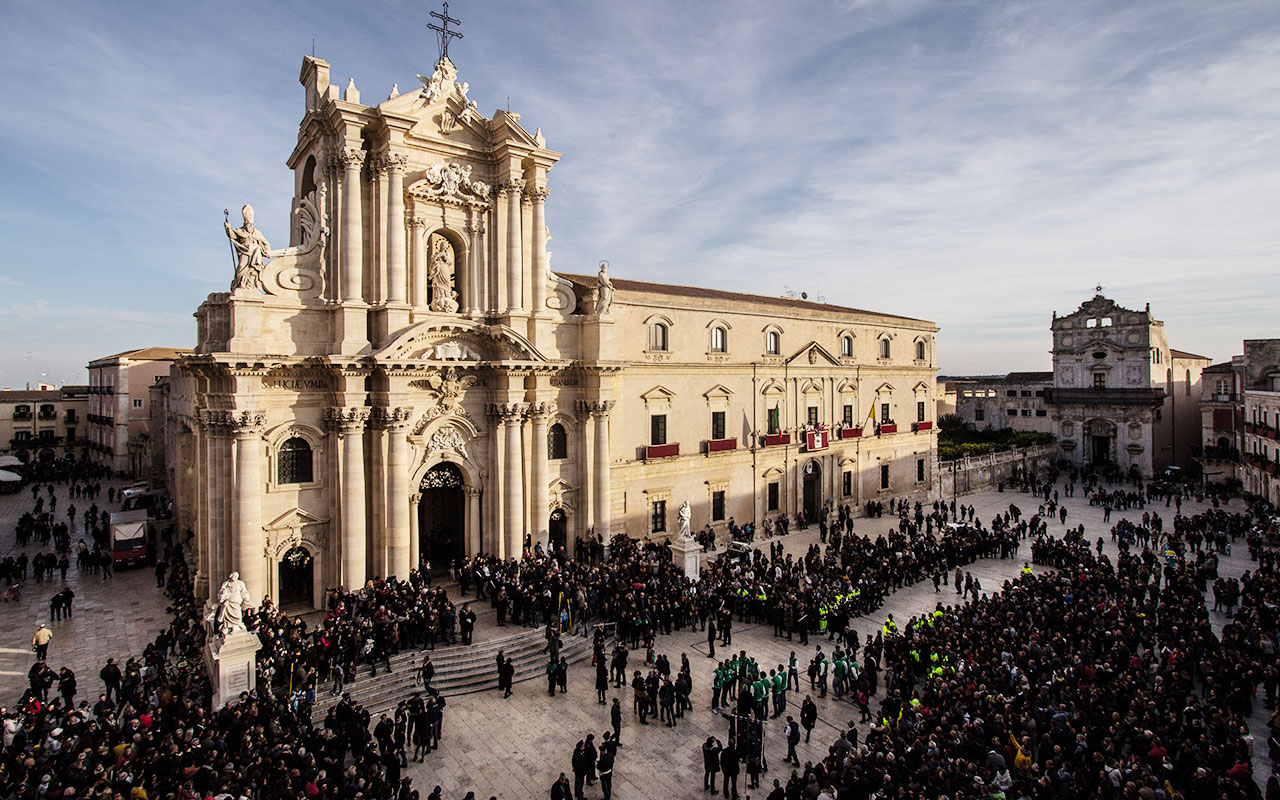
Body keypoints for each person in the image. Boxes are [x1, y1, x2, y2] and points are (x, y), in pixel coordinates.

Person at [224, 204, 272, 292]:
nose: (249, 226)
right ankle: (241, 283)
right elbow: (232, 234)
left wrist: (266, 250)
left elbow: (266, 243)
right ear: (245, 223)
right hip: (244, 252)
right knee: (241, 268)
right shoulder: (241, 231)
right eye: (248, 224)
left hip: (254, 254)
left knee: (254, 268)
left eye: (250, 224)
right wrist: (228, 228)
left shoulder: (257, 233)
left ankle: (251, 285)